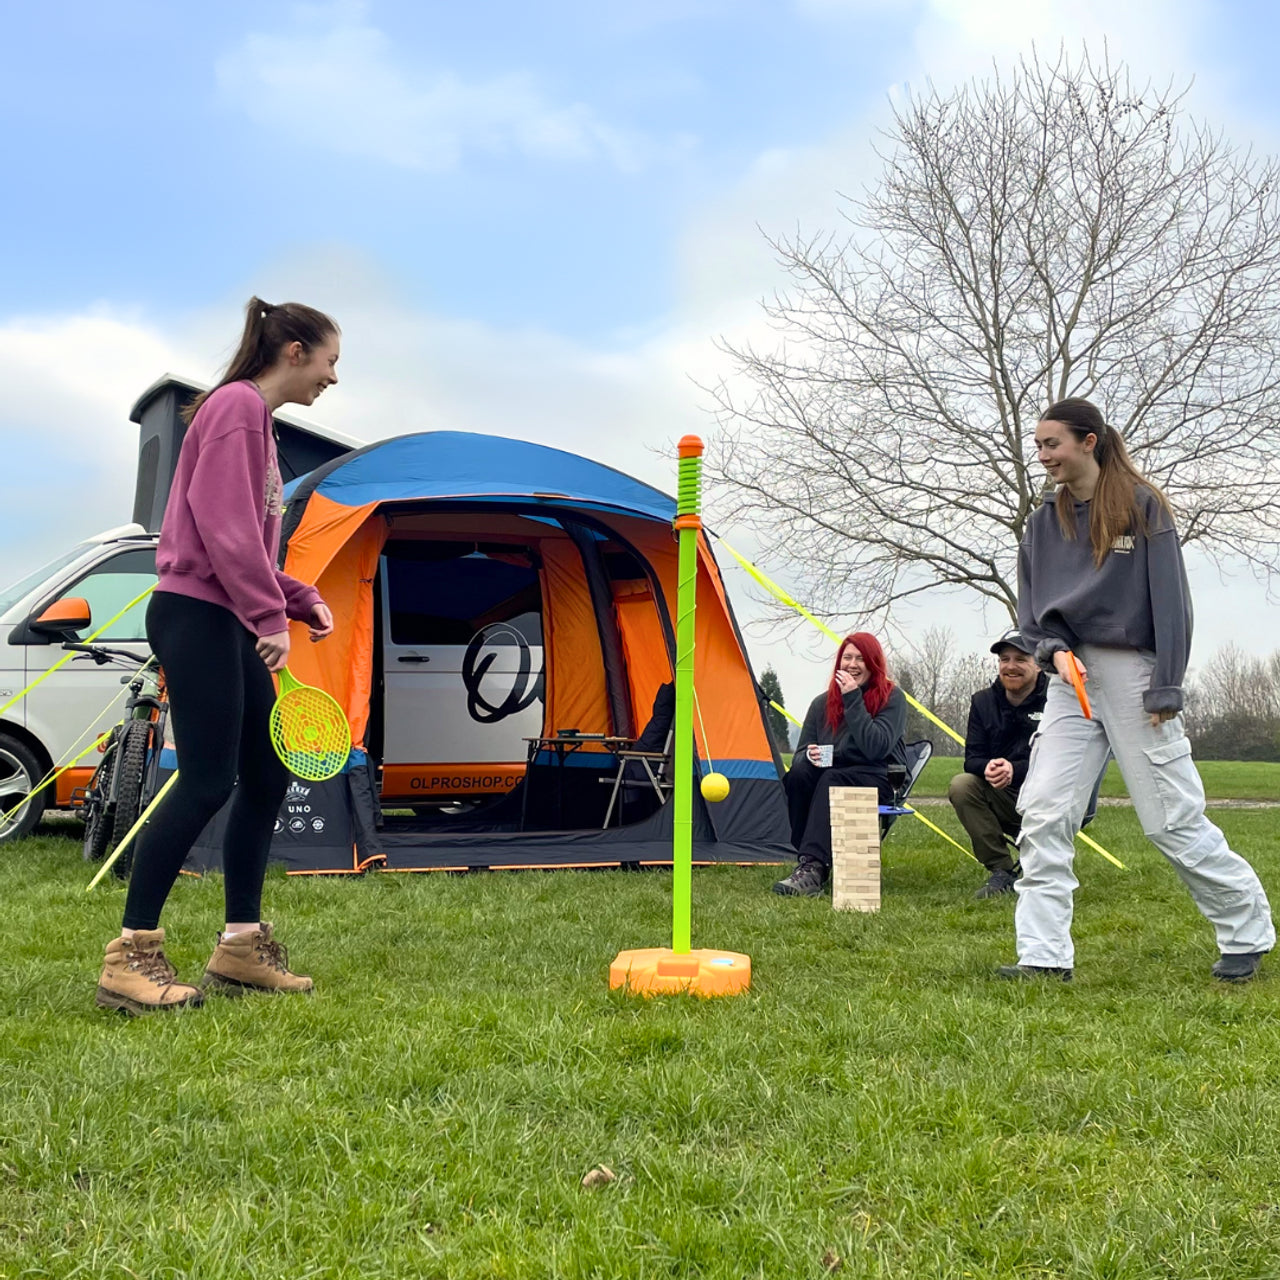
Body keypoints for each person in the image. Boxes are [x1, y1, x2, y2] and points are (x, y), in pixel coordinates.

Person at [96, 297, 341, 1015]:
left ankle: (240, 946)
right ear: (293, 350)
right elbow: (224, 530)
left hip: (225, 611)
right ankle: (130, 955)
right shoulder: (235, 407)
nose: (333, 378)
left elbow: (245, 542)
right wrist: (271, 613)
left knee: (266, 771)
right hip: (200, 613)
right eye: (330, 362)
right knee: (206, 779)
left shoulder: (257, 424)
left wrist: (295, 594)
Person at [1003, 397, 1275, 983]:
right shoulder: (1042, 525)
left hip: (1136, 675)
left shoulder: (1143, 507)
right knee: (1044, 811)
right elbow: (1031, 611)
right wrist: (1049, 651)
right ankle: (1043, 956)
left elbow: (1172, 602)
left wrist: (1167, 687)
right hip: (1068, 678)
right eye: (1039, 445)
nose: (1043, 455)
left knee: (1170, 818)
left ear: (1088, 442)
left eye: (1052, 444)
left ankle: (1246, 930)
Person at [772, 632, 906, 897]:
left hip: (880, 776)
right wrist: (808, 757)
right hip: (833, 772)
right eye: (847, 658)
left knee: (832, 779)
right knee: (798, 774)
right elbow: (800, 753)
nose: (852, 664)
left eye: (860, 658)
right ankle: (808, 860)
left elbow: (875, 746)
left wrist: (853, 699)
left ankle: (814, 869)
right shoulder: (822, 703)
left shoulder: (892, 698)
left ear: (873, 663)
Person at [948, 628, 1046, 899]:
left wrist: (1016, 770)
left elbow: (1061, 759)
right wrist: (989, 768)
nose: (1011, 667)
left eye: (1021, 659)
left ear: (1038, 663)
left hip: (1046, 794)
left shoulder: (1056, 700)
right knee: (962, 785)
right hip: (1002, 795)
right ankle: (1001, 870)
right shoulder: (982, 702)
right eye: (1005, 659)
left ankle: (1046, 866)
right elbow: (972, 759)